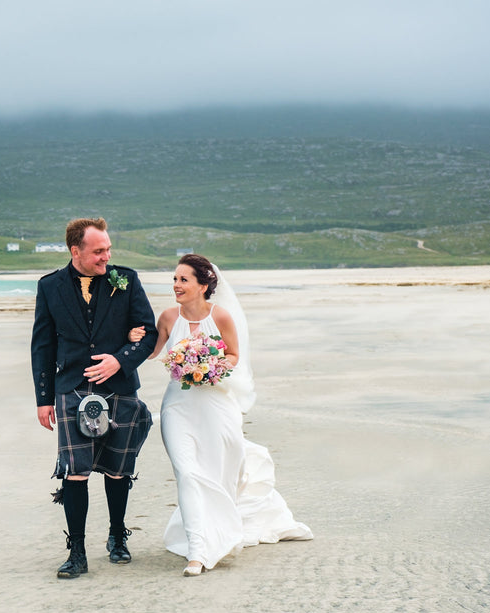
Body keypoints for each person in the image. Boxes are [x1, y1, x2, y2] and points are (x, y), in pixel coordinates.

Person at [129, 253, 312, 577]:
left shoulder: (222, 317)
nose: (176, 285)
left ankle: (222, 528)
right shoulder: (169, 317)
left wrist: (210, 365)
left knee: (217, 474)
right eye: (174, 279)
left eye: (183, 280)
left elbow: (234, 356)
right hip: (178, 407)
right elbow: (153, 352)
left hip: (216, 406)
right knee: (187, 472)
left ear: (203, 285)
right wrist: (133, 339)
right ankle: (198, 552)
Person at [31, 217, 157, 579]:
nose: (107, 257)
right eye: (99, 251)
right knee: (75, 473)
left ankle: (117, 537)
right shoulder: (50, 286)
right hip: (71, 388)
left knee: (118, 471)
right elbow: (43, 344)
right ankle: (77, 552)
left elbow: (147, 333)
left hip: (120, 388)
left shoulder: (127, 280)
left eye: (108, 249)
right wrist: (43, 398)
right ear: (76, 251)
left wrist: (120, 359)